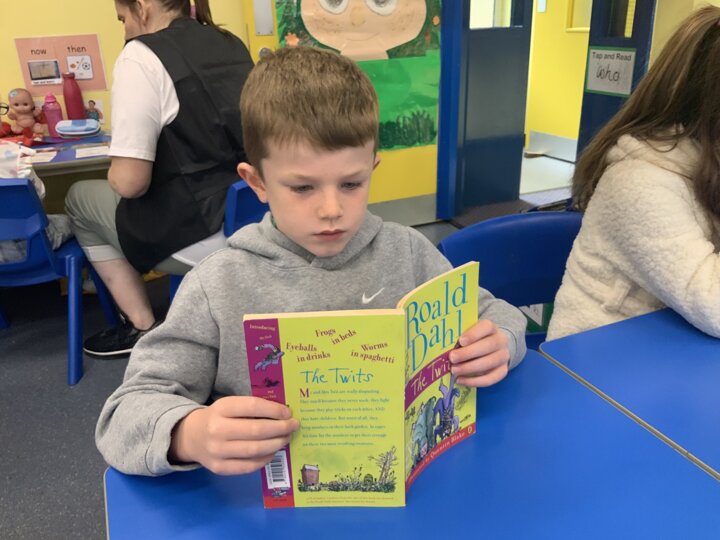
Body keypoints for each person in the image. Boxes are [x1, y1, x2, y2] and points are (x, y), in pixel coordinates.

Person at [95, 46, 528, 476]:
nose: (331, 210)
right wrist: (189, 434)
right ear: (257, 182)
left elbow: (496, 313)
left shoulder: (409, 252)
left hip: (410, 480)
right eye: (303, 188)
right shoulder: (219, 284)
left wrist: (500, 344)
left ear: (372, 168)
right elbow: (123, 416)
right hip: (267, 496)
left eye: (352, 183)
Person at [64, 0, 253, 357]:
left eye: (123, 19)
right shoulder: (229, 43)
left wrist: (117, 162)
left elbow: (129, 183)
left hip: (201, 232)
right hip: (255, 218)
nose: (125, 30)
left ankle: (142, 327)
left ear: (143, 6)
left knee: (78, 198)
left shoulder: (140, 56)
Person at [547, 6, 720, 340]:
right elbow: (714, 305)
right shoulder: (638, 181)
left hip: (674, 346)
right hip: (597, 355)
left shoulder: (706, 164)